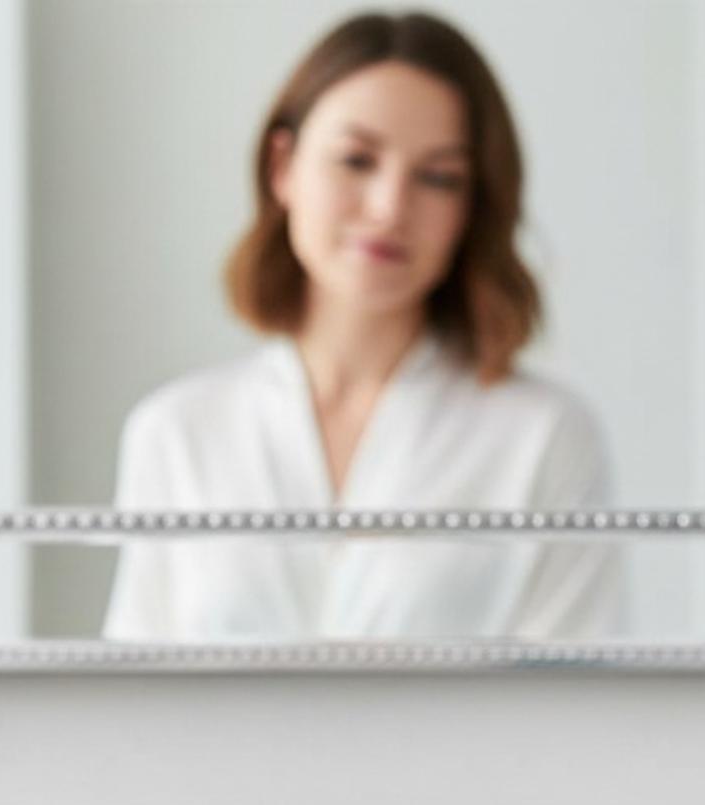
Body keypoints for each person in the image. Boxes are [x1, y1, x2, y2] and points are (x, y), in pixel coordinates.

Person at [102, 9, 617, 643]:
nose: (389, 208)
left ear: (473, 206)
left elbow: (576, 693)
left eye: (439, 177)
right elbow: (135, 684)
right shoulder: (177, 432)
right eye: (356, 160)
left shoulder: (544, 436)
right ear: (283, 167)